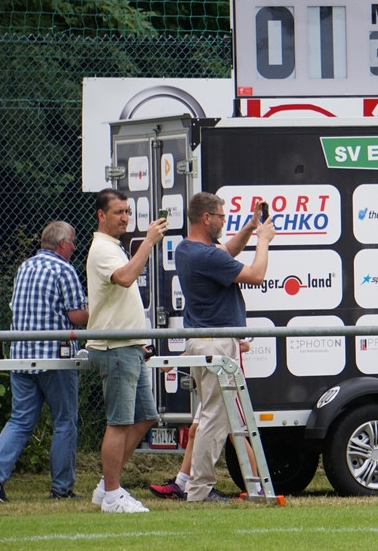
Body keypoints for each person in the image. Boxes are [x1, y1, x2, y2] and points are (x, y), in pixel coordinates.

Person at [0, 221, 88, 503]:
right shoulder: (64, 269)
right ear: (62, 243)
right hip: (55, 359)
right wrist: (95, 306)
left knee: (20, 420)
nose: (74, 247)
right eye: (72, 242)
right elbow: (77, 316)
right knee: (64, 422)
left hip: (21, 358)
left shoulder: (25, 267)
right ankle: (61, 488)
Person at [174, 192, 275, 502]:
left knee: (215, 416)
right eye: (221, 217)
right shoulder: (207, 256)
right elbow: (256, 275)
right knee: (214, 419)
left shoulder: (186, 249)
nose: (224, 222)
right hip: (216, 344)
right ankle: (200, 490)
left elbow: (227, 251)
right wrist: (263, 240)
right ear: (207, 218)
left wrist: (250, 226)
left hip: (205, 342)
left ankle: (200, 486)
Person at [85, 188, 167, 514]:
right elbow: (126, 278)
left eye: (127, 212)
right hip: (115, 348)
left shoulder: (113, 246)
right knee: (119, 423)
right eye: (118, 212)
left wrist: (138, 341)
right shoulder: (103, 248)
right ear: (101, 215)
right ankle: (112, 496)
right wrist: (148, 242)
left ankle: (107, 485)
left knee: (146, 417)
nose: (125, 218)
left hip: (129, 346)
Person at [149, 340, 260, 501]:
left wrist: (176, 361)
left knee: (236, 435)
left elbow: (245, 345)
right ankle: (181, 483)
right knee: (195, 431)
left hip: (226, 382)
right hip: (212, 382)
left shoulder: (224, 329)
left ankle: (256, 489)